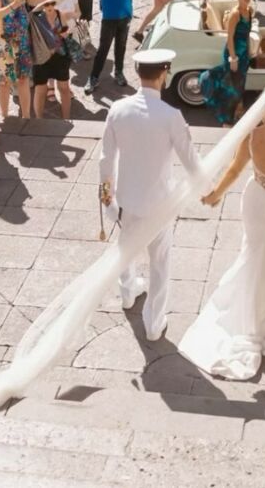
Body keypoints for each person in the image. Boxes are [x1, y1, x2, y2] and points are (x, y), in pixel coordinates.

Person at [179, 86, 265, 380]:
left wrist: (215, 194)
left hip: (256, 200)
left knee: (254, 252)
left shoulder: (252, 136)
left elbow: (233, 170)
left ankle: (253, 302)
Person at [99, 48, 202, 341]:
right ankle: (154, 325)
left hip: (127, 199)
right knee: (159, 264)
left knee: (126, 249)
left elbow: (106, 160)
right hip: (159, 204)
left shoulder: (117, 110)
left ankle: (128, 293)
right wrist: (206, 187)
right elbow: (191, 162)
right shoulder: (171, 116)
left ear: (138, 74)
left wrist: (108, 199)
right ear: (163, 74)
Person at [84, 0, 150, 94]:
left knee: (121, 46)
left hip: (125, 15)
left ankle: (119, 72)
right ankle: (93, 77)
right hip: (109, 17)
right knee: (103, 49)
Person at [200, 0, 254, 127]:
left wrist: (249, 53)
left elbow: (247, 35)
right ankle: (226, 120)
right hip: (233, 53)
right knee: (232, 90)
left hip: (243, 55)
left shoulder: (249, 11)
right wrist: (233, 58)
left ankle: (237, 112)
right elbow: (229, 38)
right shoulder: (235, 14)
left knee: (240, 86)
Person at [0, 0, 34, 121]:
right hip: (5, 46)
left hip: (23, 44)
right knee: (4, 83)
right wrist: (13, 6)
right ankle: (5, 116)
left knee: (24, 80)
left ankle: (26, 116)